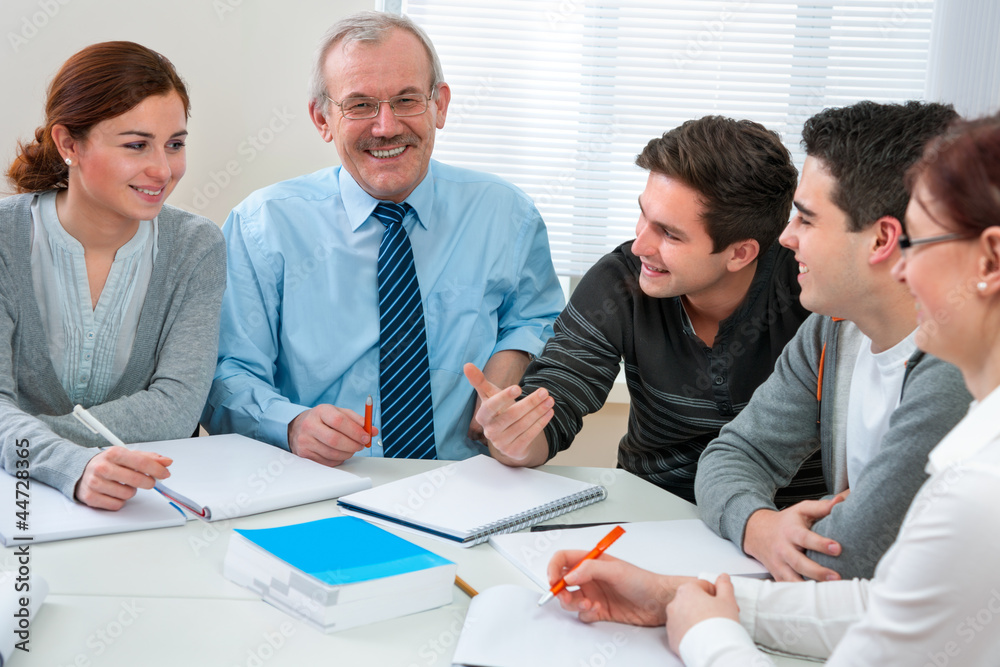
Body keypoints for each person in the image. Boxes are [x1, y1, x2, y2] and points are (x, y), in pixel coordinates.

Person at [547, 113, 1000, 667]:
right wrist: (678, 595)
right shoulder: (835, 327)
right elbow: (875, 604)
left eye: (921, 241)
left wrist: (706, 632)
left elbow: (844, 568)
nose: (786, 238)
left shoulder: (975, 465)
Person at [202, 11, 563, 464]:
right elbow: (226, 374)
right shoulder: (263, 225)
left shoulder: (507, 215)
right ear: (322, 118)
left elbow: (539, 321)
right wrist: (290, 425)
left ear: (440, 105)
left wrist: (512, 359)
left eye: (407, 100)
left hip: (465, 482)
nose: (386, 126)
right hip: (316, 482)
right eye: (360, 105)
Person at [465, 115, 823, 504]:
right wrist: (513, 437)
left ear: (740, 253)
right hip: (651, 507)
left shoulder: (814, 289)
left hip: (794, 517)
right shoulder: (618, 281)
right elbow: (557, 398)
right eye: (644, 215)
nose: (640, 246)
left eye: (669, 233)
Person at [694, 101, 971, 581]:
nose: (786, 237)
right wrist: (758, 526)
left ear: (881, 240)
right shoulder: (834, 329)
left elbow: (848, 557)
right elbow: (734, 455)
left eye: (806, 219)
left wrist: (671, 597)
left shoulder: (957, 366)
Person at [0, 41, 226, 510]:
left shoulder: (197, 245)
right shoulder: (4, 238)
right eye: (136, 145)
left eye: (175, 144)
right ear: (68, 144)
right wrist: (71, 463)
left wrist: (23, 436)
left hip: (141, 504)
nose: (162, 169)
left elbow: (176, 407)